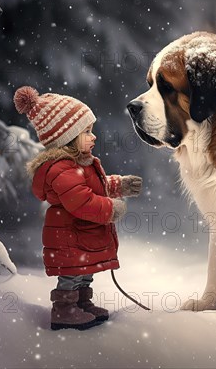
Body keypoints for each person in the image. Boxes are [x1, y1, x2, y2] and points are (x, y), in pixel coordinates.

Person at [14, 86, 142, 330]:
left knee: (83, 272)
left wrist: (120, 185)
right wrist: (111, 209)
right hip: (70, 238)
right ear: (67, 137)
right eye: (86, 132)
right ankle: (64, 310)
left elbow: (96, 186)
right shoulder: (61, 169)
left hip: (82, 237)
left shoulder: (79, 164)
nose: (93, 137)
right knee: (72, 275)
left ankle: (82, 304)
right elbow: (82, 201)